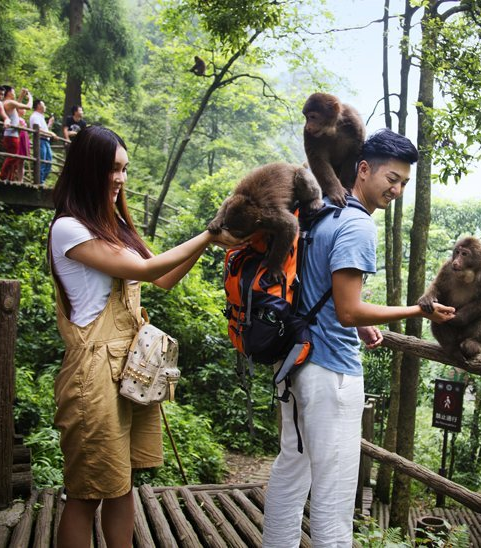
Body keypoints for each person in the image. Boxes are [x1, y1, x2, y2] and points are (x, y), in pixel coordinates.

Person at [48, 125, 244, 548]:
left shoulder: (114, 226)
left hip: (128, 371)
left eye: (124, 169)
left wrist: (210, 243)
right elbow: (143, 270)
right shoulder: (69, 228)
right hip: (92, 376)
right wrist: (209, 233)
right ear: (87, 169)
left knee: (122, 485)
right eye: (112, 169)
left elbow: (164, 277)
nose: (120, 178)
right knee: (85, 494)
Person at [261, 128, 456, 546]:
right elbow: (348, 310)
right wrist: (418, 309)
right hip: (332, 371)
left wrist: (360, 320)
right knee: (334, 494)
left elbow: (319, 288)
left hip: (295, 362)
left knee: (292, 470)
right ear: (363, 169)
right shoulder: (357, 225)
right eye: (392, 178)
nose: (397, 190)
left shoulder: (319, 212)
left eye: (404, 183)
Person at [0, 86, 32, 181]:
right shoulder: (9, 102)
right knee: (13, 157)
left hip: (11, 134)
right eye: (13, 91)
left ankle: (9, 178)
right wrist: (30, 98)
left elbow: (16, 106)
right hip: (11, 135)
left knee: (14, 157)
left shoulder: (6, 103)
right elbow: (28, 107)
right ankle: (3, 177)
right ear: (9, 92)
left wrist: (21, 96)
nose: (14, 93)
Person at [29, 98, 57, 184]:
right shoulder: (35, 116)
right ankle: (39, 182)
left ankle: (42, 181)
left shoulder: (40, 117)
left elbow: (44, 129)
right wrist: (51, 133)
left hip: (45, 141)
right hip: (40, 140)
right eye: (43, 105)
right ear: (38, 106)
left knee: (48, 162)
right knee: (42, 162)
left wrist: (49, 124)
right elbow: (39, 130)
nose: (45, 107)